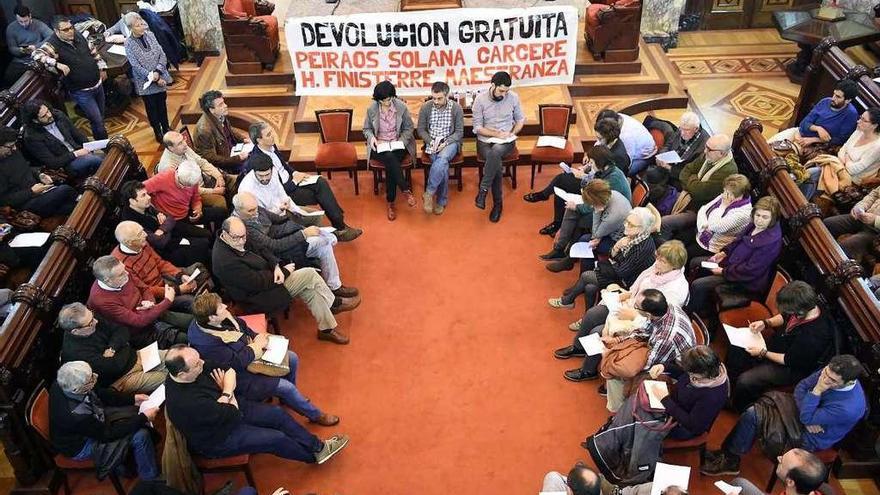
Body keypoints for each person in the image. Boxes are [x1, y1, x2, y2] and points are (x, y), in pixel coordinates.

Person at [163, 345, 349, 465]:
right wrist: (228, 392)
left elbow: (229, 370)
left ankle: (318, 447)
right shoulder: (186, 403)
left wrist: (225, 394)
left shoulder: (195, 367)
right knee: (276, 439)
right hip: (219, 437)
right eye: (197, 364)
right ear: (181, 375)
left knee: (277, 414)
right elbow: (232, 414)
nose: (203, 364)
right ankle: (312, 458)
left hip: (228, 410)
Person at [701, 355, 867, 476]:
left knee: (754, 415)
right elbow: (801, 387)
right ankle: (729, 455)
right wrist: (807, 411)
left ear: (849, 382)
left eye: (831, 380)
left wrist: (817, 390)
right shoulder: (830, 372)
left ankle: (730, 460)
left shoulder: (849, 407)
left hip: (811, 437)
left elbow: (807, 412)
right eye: (824, 373)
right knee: (754, 410)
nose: (824, 379)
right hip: (801, 414)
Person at [188, 293, 339, 426]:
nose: (225, 307)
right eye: (220, 307)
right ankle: (315, 415)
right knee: (286, 388)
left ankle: (288, 399)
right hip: (240, 376)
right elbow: (236, 363)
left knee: (292, 358)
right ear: (212, 317)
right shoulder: (207, 343)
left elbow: (242, 328)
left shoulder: (217, 318)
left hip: (250, 353)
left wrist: (256, 336)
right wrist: (256, 347)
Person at [556, 241, 690, 382]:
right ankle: (579, 348)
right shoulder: (658, 269)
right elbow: (637, 288)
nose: (656, 263)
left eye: (662, 261)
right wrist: (627, 295)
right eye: (657, 258)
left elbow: (657, 318)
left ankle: (588, 370)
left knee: (596, 331)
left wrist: (633, 316)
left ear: (674, 265)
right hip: (633, 306)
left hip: (643, 321)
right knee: (592, 314)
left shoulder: (676, 290)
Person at [212, 217, 357, 344]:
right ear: (225, 234)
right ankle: (334, 303)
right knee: (309, 274)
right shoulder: (225, 261)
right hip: (258, 297)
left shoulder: (237, 236)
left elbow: (263, 249)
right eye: (238, 238)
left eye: (244, 236)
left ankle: (326, 329)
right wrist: (286, 271)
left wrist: (276, 265)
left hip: (272, 278)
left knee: (310, 288)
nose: (242, 241)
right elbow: (257, 283)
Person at [725, 281, 835, 412]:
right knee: (736, 348)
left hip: (789, 367)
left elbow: (788, 360)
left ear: (800, 311)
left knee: (746, 380)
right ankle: (729, 387)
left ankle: (738, 406)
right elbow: (785, 316)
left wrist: (763, 353)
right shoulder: (806, 305)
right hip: (777, 346)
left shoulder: (814, 336)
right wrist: (766, 323)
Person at [245, 122, 362, 240]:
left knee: (321, 182)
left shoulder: (271, 146)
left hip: (292, 180)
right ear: (259, 140)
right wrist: (294, 182)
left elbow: (283, 165)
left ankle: (339, 225)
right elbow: (275, 189)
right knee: (321, 194)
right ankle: (340, 227)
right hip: (286, 193)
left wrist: (295, 172)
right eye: (268, 134)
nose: (273, 136)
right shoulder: (258, 161)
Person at [232, 192, 358, 299]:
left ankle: (334, 285)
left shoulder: (255, 209)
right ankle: (334, 237)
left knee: (323, 243)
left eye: (256, 208)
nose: (256, 213)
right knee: (323, 242)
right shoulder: (243, 228)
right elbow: (274, 246)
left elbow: (277, 219)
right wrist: (303, 234)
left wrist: (293, 218)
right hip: (275, 256)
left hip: (283, 239)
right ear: (238, 210)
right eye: (251, 211)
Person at [49, 361, 159, 480]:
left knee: (131, 413)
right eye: (90, 381)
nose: (95, 377)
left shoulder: (64, 382)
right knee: (140, 436)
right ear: (76, 390)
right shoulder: (76, 415)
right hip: (80, 445)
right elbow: (107, 434)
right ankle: (150, 477)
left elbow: (100, 393)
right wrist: (143, 418)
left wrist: (132, 399)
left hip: (91, 423)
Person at [686, 196, 783, 316]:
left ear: (773, 219)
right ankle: (701, 303)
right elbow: (738, 240)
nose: (759, 220)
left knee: (698, 285)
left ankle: (691, 313)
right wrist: (723, 253)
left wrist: (723, 271)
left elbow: (751, 270)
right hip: (730, 263)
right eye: (757, 215)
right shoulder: (754, 224)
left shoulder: (771, 242)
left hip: (742, 279)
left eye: (765, 217)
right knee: (695, 262)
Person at [603, 289, 696, 411]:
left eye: (636, 307)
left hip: (675, 369)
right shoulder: (667, 308)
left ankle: (619, 410)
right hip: (662, 352)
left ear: (648, 314)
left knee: (615, 374)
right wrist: (619, 340)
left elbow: (650, 366)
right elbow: (646, 330)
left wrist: (617, 362)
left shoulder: (666, 338)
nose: (633, 308)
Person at [548, 207, 655, 311]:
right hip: (617, 271)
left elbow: (622, 272)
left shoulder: (642, 247)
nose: (626, 225)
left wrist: (600, 265)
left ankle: (567, 301)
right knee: (590, 287)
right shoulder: (632, 235)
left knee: (587, 276)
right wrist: (616, 247)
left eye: (631, 224)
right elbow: (613, 257)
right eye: (626, 221)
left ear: (642, 228)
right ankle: (584, 315)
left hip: (628, 283)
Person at [525, 139, 630, 238]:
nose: (590, 165)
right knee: (562, 181)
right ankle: (557, 222)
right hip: (596, 196)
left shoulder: (613, 180)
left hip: (606, 210)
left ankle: (566, 244)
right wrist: (584, 175)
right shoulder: (605, 169)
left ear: (599, 163)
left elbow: (596, 204)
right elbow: (592, 182)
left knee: (574, 212)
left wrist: (577, 207)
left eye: (592, 163)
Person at [59, 302, 167, 394]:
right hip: (122, 378)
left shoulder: (90, 319)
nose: (96, 321)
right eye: (91, 323)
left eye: (92, 315)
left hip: (136, 355)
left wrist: (112, 348)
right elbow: (114, 367)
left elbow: (122, 330)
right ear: (75, 331)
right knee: (171, 378)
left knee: (179, 358)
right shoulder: (76, 352)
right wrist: (124, 345)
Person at [88, 255, 189, 348]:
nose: (127, 273)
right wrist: (167, 301)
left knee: (191, 321)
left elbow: (144, 289)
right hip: (140, 332)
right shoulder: (101, 301)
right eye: (121, 274)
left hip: (152, 312)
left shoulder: (122, 272)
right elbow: (138, 322)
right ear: (108, 280)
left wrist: (149, 301)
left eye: (124, 268)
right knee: (185, 339)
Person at [32, 16, 108, 140]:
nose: (70, 31)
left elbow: (93, 51)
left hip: (97, 84)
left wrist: (101, 68)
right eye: (65, 30)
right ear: (57, 31)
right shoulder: (52, 44)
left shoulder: (78, 35)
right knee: (97, 121)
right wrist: (56, 63)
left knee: (101, 117)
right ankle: (106, 147)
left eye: (71, 27)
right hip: (81, 91)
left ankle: (104, 142)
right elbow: (36, 54)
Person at [111, 221, 207, 311]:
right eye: (140, 234)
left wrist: (180, 275)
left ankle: (210, 301)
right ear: (129, 243)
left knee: (200, 269)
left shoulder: (142, 243)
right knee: (191, 301)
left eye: (142, 231)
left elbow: (160, 263)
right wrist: (178, 290)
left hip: (164, 279)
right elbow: (145, 290)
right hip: (156, 296)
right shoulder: (121, 266)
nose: (145, 235)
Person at [542, 178, 633, 272]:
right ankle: (568, 257)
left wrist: (596, 211)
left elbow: (596, 233)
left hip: (617, 241)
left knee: (585, 241)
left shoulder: (614, 215)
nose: (592, 206)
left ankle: (582, 273)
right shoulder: (610, 193)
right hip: (609, 229)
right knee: (580, 221)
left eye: (593, 204)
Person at [661, 133, 738, 242]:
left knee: (665, 222)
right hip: (687, 197)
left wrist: (693, 178)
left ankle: (662, 248)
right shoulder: (709, 156)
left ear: (721, 153)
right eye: (706, 146)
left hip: (699, 210)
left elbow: (699, 192)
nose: (705, 151)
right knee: (659, 196)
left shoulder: (727, 171)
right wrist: (693, 181)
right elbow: (685, 171)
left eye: (709, 149)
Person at [119, 180, 211, 267]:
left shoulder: (145, 205)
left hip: (173, 233)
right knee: (203, 246)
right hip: (165, 251)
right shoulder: (131, 224)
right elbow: (159, 242)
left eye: (147, 193)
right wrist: (166, 226)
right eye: (143, 195)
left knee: (206, 235)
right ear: (132, 201)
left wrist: (162, 229)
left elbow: (171, 218)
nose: (149, 197)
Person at [472, 71, 525, 222]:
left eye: (506, 91)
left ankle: (483, 191)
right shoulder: (480, 100)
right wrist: (495, 134)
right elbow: (477, 127)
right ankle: (497, 205)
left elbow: (520, 120)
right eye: (501, 90)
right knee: (495, 159)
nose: (504, 94)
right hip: (485, 140)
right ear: (493, 85)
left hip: (506, 141)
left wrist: (512, 133)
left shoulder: (513, 97)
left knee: (495, 152)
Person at [647, 345, 730, 439]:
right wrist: (664, 367)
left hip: (684, 427)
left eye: (691, 373)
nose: (689, 375)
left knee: (646, 429)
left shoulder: (712, 396)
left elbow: (693, 425)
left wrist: (665, 400)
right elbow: (683, 374)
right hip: (677, 405)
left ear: (703, 374)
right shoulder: (706, 369)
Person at [363, 80, 417, 221]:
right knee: (389, 158)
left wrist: (401, 141)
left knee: (390, 161)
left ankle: (390, 202)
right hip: (379, 145)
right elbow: (366, 129)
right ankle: (405, 189)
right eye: (383, 101)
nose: (387, 103)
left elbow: (408, 128)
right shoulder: (372, 109)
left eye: (389, 99)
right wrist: (372, 138)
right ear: (378, 100)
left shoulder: (401, 107)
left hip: (398, 144)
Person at [801, 108, 880, 199]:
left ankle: (800, 204)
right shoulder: (859, 131)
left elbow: (855, 170)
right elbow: (842, 150)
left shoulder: (877, 146)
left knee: (812, 174)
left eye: (863, 120)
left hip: (853, 178)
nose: (858, 121)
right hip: (838, 165)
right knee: (810, 172)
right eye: (860, 117)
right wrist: (846, 160)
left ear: (874, 125)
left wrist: (846, 160)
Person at [0, 127, 76, 216]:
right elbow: (4, 200)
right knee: (65, 190)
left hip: (39, 189)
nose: (15, 148)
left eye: (15, 144)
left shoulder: (13, 152)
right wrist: (31, 191)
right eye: (11, 146)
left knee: (70, 207)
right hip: (25, 203)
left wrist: (39, 175)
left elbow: (26, 168)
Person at [20, 99, 103, 177]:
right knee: (97, 160)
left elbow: (78, 135)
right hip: (66, 164)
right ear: (35, 120)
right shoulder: (31, 137)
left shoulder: (58, 115)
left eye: (48, 111)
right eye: (44, 116)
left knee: (105, 157)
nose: (49, 115)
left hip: (80, 151)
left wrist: (89, 148)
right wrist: (76, 154)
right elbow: (52, 163)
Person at [417, 81, 464, 215]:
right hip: (432, 142)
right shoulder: (426, 107)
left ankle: (429, 192)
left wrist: (446, 142)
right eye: (434, 98)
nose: (436, 101)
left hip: (450, 142)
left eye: (439, 98)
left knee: (442, 157)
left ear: (447, 95)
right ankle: (441, 201)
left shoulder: (456, 108)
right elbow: (421, 130)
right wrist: (431, 141)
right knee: (442, 163)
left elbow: (459, 132)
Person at [769, 80, 859, 150]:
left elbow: (840, 140)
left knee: (778, 153)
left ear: (848, 100)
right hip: (799, 132)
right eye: (834, 94)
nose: (833, 98)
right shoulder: (825, 101)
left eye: (838, 97)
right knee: (768, 144)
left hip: (815, 146)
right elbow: (804, 123)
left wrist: (813, 139)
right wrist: (818, 128)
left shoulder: (851, 114)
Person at [124, 12, 171, 143]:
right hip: (145, 82)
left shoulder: (151, 35)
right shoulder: (128, 44)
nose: (142, 27)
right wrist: (153, 77)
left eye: (142, 23)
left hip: (160, 75)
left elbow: (162, 54)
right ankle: (157, 131)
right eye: (138, 25)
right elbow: (135, 65)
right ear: (131, 28)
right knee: (152, 108)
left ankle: (166, 127)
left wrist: (158, 70)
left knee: (162, 104)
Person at [157, 131, 231, 212]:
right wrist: (213, 191)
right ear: (171, 148)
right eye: (180, 143)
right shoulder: (168, 167)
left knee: (232, 180)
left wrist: (218, 176)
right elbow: (187, 190)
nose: (185, 144)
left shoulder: (182, 147)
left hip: (203, 180)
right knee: (220, 202)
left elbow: (201, 162)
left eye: (183, 140)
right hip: (193, 195)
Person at [144, 160, 226, 232]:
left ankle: (218, 237)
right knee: (205, 235)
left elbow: (196, 197)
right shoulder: (163, 178)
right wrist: (155, 212)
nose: (184, 188)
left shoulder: (192, 178)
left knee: (222, 212)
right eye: (182, 184)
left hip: (187, 212)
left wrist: (198, 208)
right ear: (177, 173)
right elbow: (140, 189)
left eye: (189, 186)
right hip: (173, 220)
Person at [690, 174, 753, 260]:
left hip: (713, 247)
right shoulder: (727, 196)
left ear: (740, 195)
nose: (724, 194)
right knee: (679, 239)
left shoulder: (743, 213)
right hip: (700, 232)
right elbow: (703, 209)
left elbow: (713, 226)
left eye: (728, 193)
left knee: (685, 253)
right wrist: (703, 225)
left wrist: (723, 206)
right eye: (724, 191)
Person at [728, 449, 830, 495]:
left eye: (782, 462)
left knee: (739, 485)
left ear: (790, 482)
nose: (778, 458)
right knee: (739, 484)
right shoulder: (823, 489)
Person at [194, 89, 251, 172]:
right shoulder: (204, 130)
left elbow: (230, 130)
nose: (225, 105)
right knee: (253, 165)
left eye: (224, 102)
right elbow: (212, 159)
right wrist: (237, 158)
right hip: (226, 164)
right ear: (211, 109)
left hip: (232, 151)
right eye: (220, 105)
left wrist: (243, 139)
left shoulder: (219, 115)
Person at [652, 111, 710, 190]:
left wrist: (669, 168)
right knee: (651, 174)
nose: (682, 133)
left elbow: (690, 173)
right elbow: (668, 145)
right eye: (681, 129)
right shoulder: (682, 129)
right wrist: (661, 156)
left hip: (678, 176)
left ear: (696, 129)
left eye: (686, 130)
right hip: (667, 164)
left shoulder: (703, 147)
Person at [823, 184, 880, 263]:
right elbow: (873, 195)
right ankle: (807, 257)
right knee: (827, 224)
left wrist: (875, 220)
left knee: (848, 245)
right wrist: (860, 207)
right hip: (862, 216)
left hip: (876, 233)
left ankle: (819, 271)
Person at [594, 109, 656, 176]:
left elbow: (627, 163)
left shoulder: (626, 136)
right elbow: (602, 137)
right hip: (631, 150)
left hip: (643, 157)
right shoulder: (616, 118)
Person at [4, 6, 52, 85]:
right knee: (8, 78)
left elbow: (51, 36)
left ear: (30, 16)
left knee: (37, 78)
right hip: (20, 60)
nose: (23, 24)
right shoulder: (11, 28)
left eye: (26, 21)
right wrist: (22, 51)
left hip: (37, 56)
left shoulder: (38, 24)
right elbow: (12, 48)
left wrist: (36, 46)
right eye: (20, 21)